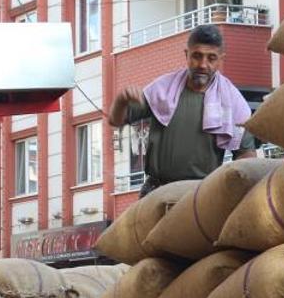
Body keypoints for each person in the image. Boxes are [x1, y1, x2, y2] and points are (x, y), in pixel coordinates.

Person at [107, 25, 257, 198]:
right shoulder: (163, 89)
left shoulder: (233, 103)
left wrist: (228, 188)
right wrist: (121, 100)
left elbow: (246, 154)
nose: (203, 64)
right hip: (156, 192)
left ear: (221, 60)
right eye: (197, 56)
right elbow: (115, 120)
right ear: (186, 55)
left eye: (211, 58)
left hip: (201, 198)